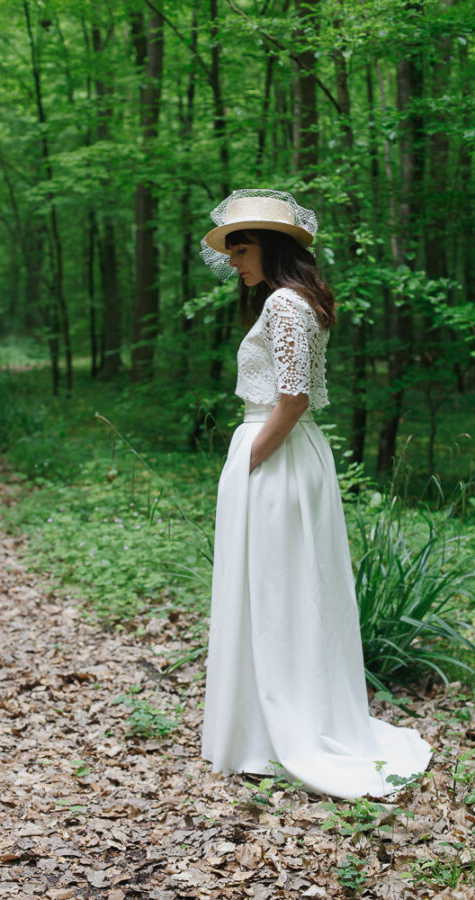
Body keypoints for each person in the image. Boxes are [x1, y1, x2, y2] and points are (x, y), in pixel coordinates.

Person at [199, 189, 431, 801]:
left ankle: (285, 729)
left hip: (275, 455)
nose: (234, 262)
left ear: (267, 246)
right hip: (287, 453)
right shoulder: (290, 302)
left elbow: (293, 398)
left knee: (279, 589)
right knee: (278, 586)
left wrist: (248, 458)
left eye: (241, 248)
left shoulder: (283, 304)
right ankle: (266, 722)